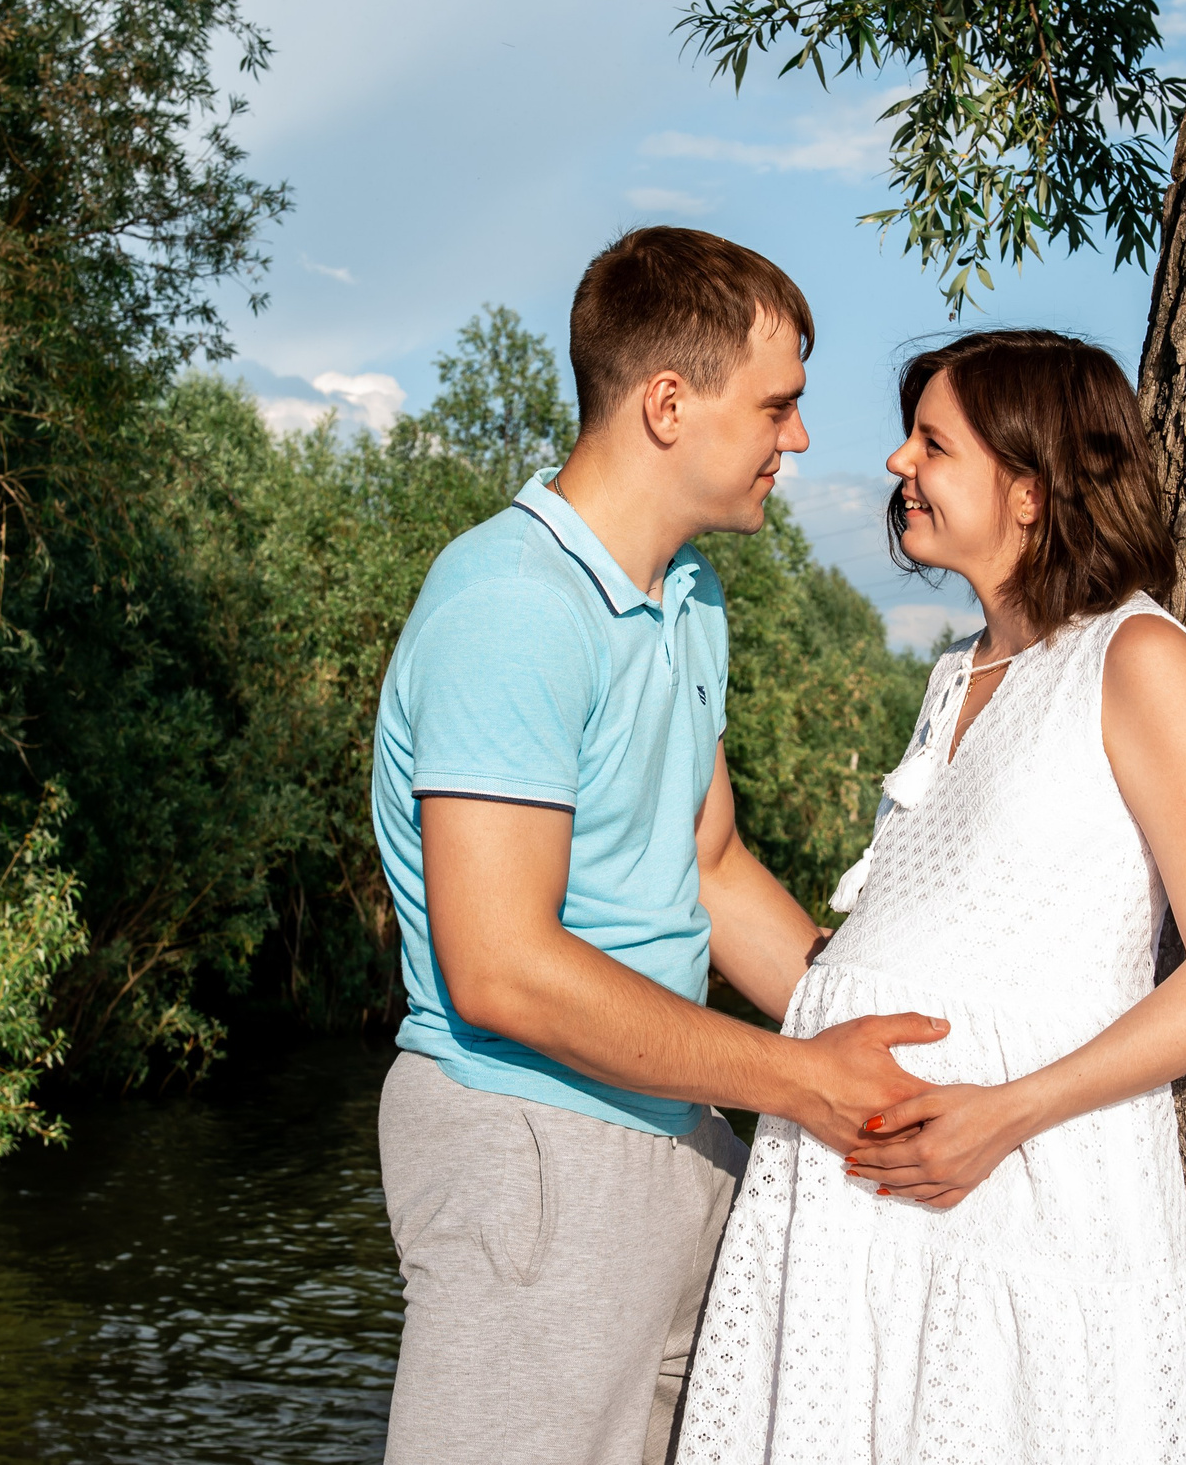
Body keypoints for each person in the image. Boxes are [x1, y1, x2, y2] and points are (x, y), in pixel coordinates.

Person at [370, 226, 949, 1465]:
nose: (799, 441)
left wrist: (891, 1051)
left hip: (677, 1130)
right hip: (527, 1136)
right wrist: (800, 1079)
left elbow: (712, 869)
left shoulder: (688, 598)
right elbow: (501, 966)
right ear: (669, 403)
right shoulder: (511, 605)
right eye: (780, 406)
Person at [676, 329, 1186, 1464]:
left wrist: (1001, 1111)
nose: (900, 464)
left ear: (1028, 487)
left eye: (932, 443)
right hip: (862, 1201)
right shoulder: (960, 667)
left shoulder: (1135, 655)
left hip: (1021, 1188)